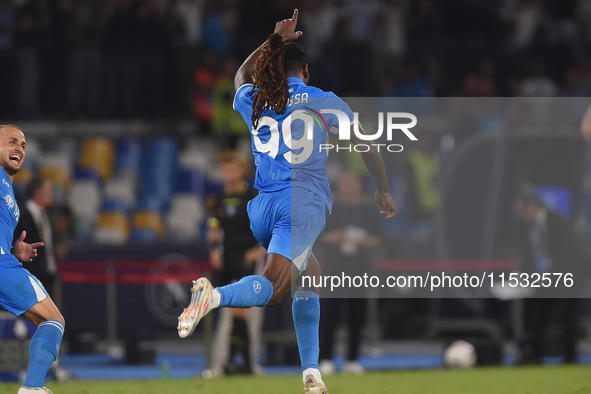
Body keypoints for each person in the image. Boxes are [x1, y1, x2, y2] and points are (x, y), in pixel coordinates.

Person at [178, 10, 397, 394]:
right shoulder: (322, 100)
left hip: (262, 208)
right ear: (306, 73)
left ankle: (312, 374)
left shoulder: (258, 98)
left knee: (309, 272)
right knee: (274, 289)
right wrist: (382, 188)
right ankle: (213, 297)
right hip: (301, 204)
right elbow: (369, 146)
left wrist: (273, 39)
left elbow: (238, 78)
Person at [0, 125, 65, 394]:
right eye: (12, 142)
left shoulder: (9, 190)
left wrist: (14, 250)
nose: (19, 148)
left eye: (23, 145)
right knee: (53, 321)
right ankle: (32, 388)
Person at [318, 171, 382, 375]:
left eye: (353, 182)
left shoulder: (369, 211)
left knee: (357, 315)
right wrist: (333, 237)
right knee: (329, 315)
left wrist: (365, 241)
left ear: (359, 185)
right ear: (339, 185)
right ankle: (326, 358)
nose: (349, 186)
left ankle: (353, 359)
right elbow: (317, 236)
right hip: (335, 269)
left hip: (359, 269)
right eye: (345, 182)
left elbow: (381, 238)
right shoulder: (329, 210)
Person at [207, 150, 265, 375]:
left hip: (245, 258)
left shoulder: (252, 197)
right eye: (225, 169)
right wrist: (214, 251)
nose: (228, 173)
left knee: (239, 311)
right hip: (227, 258)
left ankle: (236, 361)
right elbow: (214, 228)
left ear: (242, 170)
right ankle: (242, 362)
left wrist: (257, 252)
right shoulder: (218, 199)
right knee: (233, 311)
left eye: (232, 168)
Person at [514, 184, 586, 364]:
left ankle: (570, 358)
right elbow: (529, 255)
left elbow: (568, 253)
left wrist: (549, 273)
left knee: (567, 315)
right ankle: (534, 356)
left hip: (569, 274)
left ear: (531, 206)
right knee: (538, 313)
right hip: (547, 279)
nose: (521, 215)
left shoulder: (556, 220)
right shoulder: (528, 228)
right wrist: (523, 274)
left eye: (523, 210)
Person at [14, 177, 57, 297]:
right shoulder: (22, 216)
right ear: (37, 192)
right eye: (49, 190)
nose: (52, 195)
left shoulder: (46, 216)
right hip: (31, 276)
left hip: (47, 274)